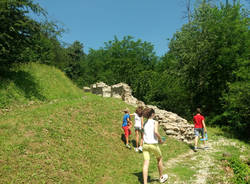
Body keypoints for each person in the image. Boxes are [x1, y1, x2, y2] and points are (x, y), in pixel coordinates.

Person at [142, 108, 168, 184]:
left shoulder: (145, 123)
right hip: (153, 145)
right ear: (152, 114)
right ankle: (161, 177)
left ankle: (145, 182)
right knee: (159, 158)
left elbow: (143, 134)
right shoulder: (155, 122)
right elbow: (156, 132)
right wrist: (160, 139)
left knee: (146, 162)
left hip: (145, 145)